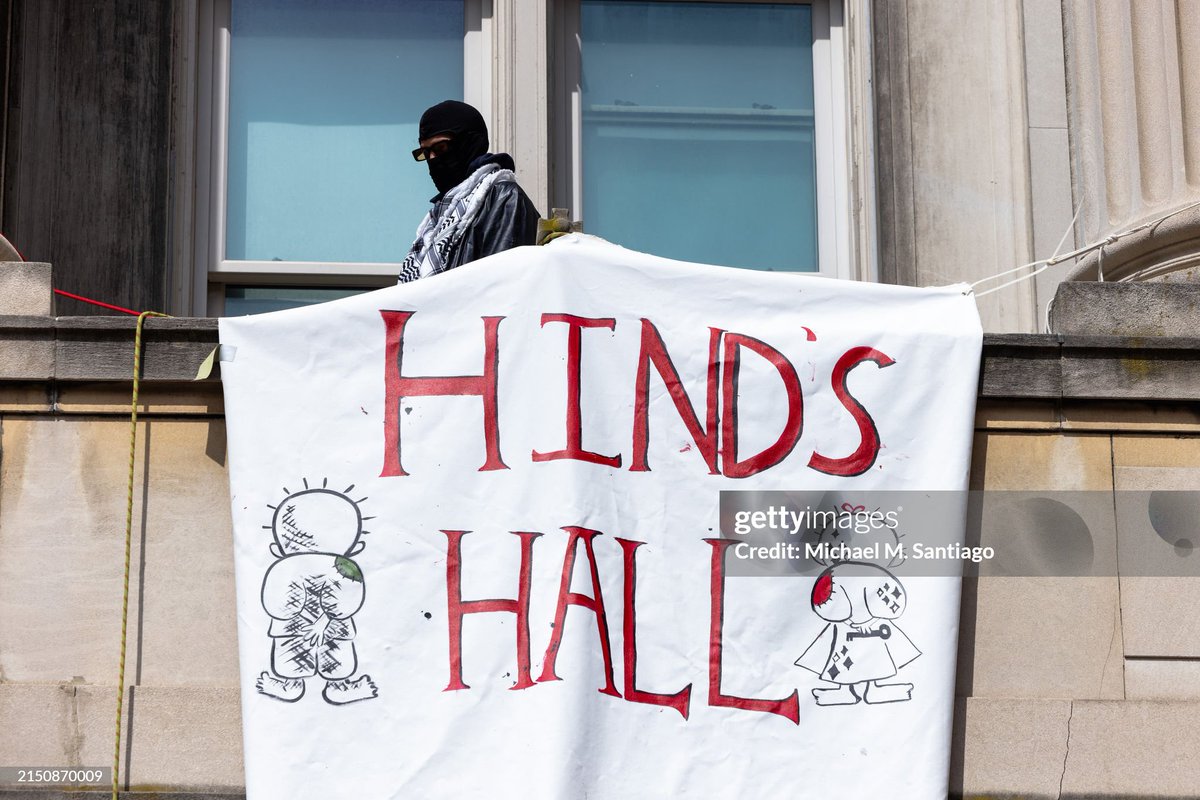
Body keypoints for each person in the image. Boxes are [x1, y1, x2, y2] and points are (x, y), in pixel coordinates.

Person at [398, 100, 541, 284]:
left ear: (470, 142)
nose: (433, 160)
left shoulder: (503, 198)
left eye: (440, 148)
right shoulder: (438, 218)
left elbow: (498, 287)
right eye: (425, 153)